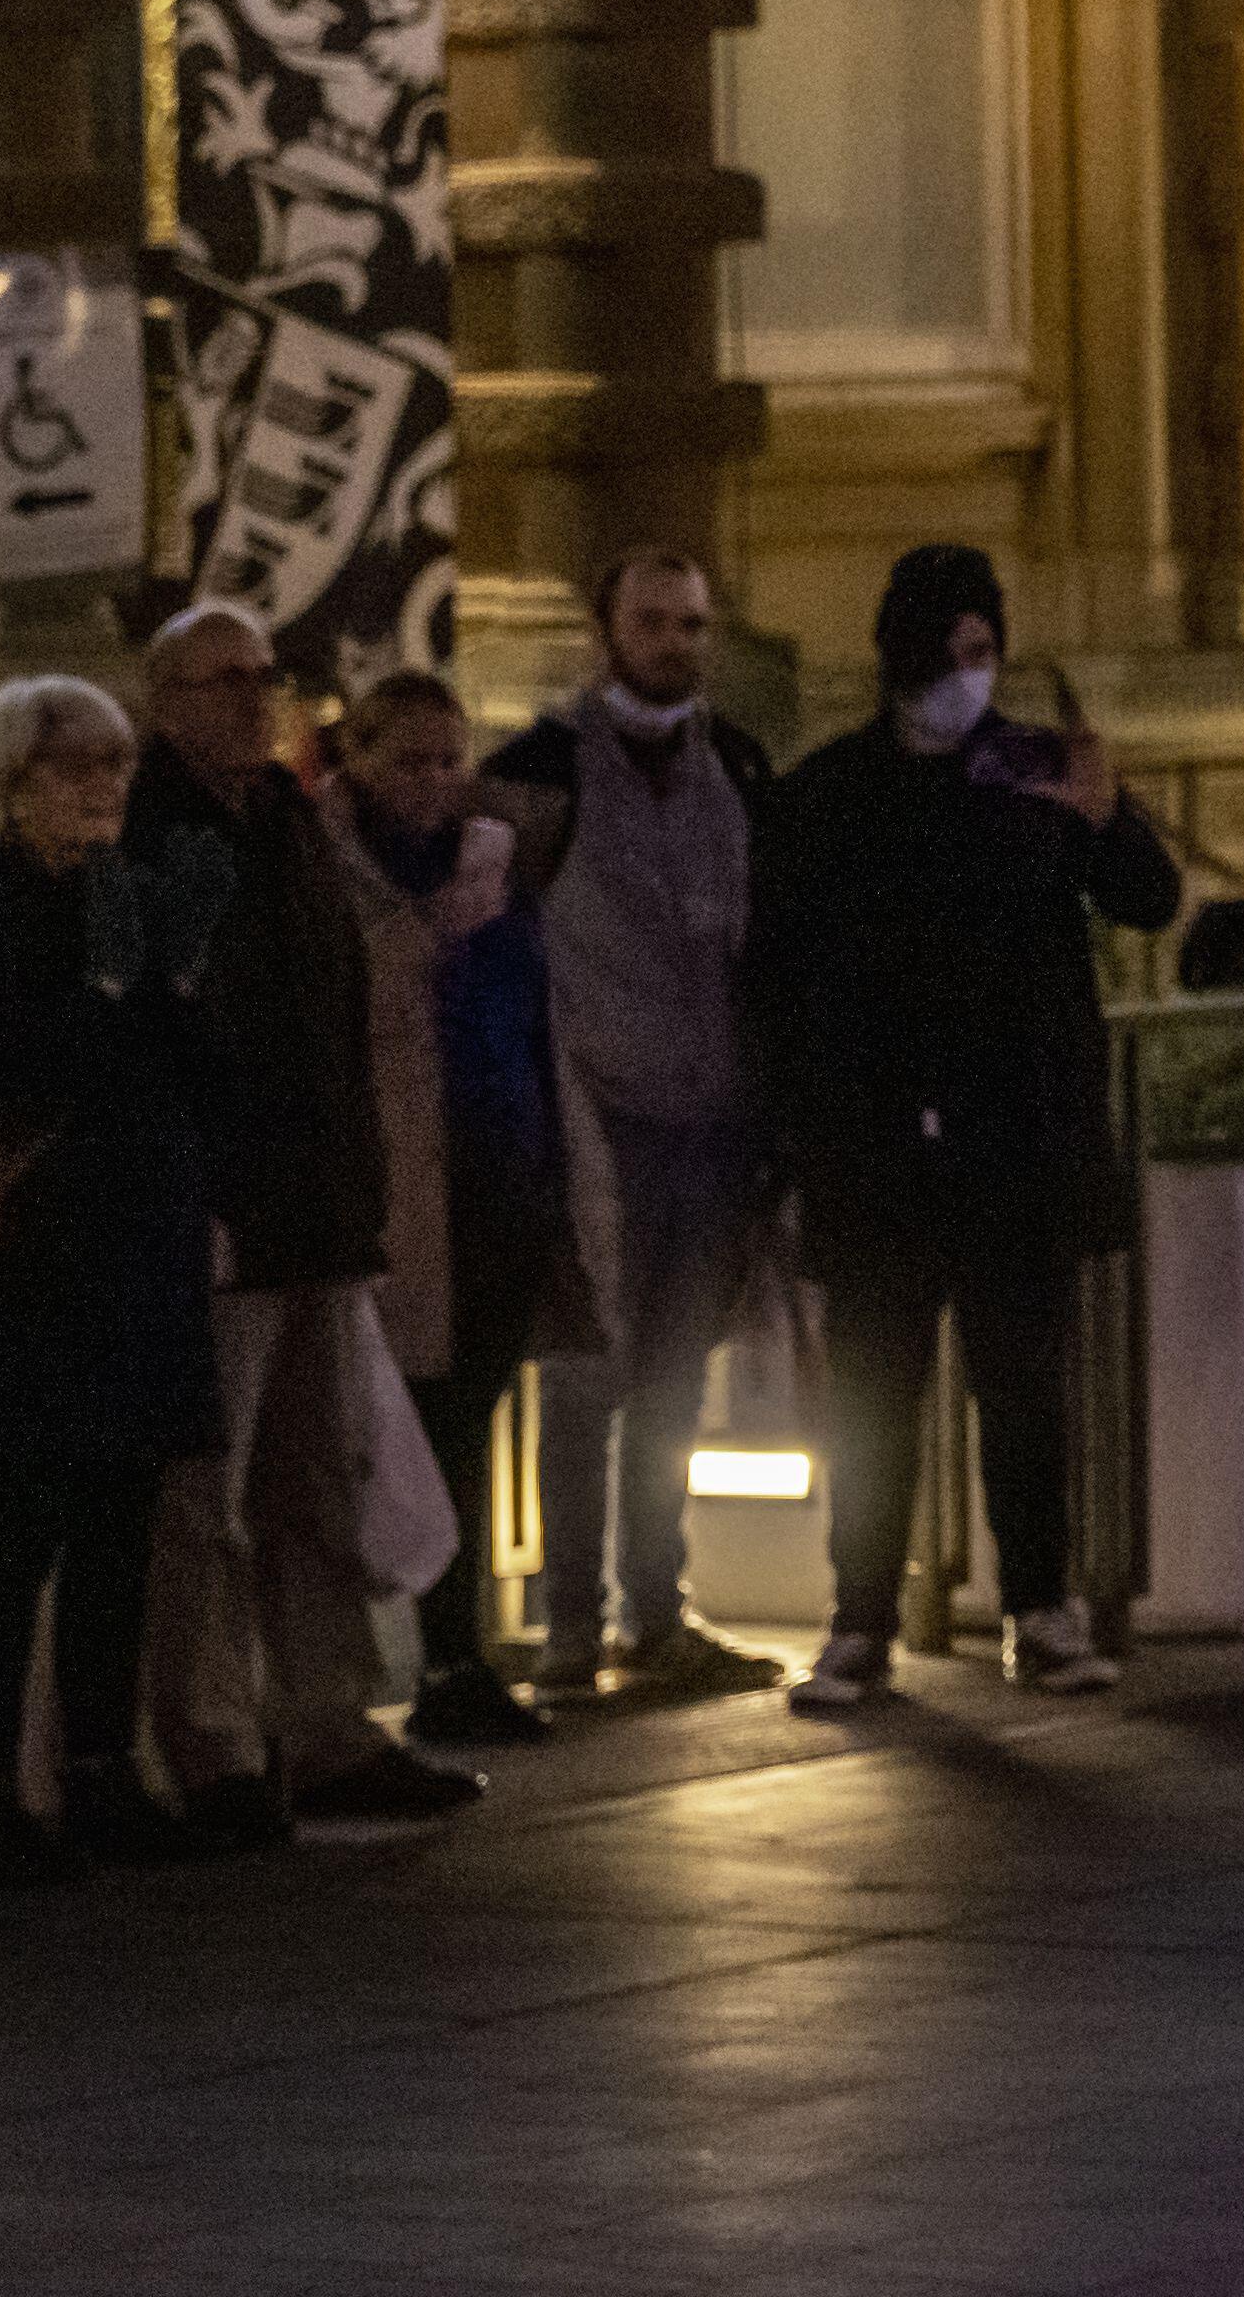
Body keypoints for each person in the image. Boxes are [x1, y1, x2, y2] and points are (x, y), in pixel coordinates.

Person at [742, 542, 1180, 1699]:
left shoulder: (1035, 771)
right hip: (878, 1147)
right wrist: (798, 1132)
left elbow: (1149, 897)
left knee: (1023, 1387)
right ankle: (860, 1619)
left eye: (988, 650)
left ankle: (1038, 1606)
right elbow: (780, 974)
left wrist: (1105, 810)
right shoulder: (829, 793)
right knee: (875, 1394)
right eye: (958, 652)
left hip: (1014, 1141)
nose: (975, 675)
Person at [131, 600, 465, 1842]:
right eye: (222, 680)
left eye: (264, 678)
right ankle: (213, 1747)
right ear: (167, 695)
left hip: (316, 1212)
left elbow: (334, 1016)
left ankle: (325, 1729)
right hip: (225, 1217)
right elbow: (142, 1028)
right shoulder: (151, 834)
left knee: (318, 1486)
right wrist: (191, 1199)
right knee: (204, 1505)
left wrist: (359, 1201)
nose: (251, 699)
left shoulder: (284, 819)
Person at [0, 677, 226, 1883]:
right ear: (13, 786)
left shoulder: (130, 908)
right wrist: (100, 992)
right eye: (76, 767)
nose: (103, 788)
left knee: (118, 1536)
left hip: (134, 1259)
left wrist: (177, 984)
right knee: (15, 1534)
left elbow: (196, 1077)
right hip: (28, 1274)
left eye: (117, 765)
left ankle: (99, 1769)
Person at [486, 546, 781, 1703]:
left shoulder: (740, 765)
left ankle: (658, 1609)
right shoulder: (542, 769)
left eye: (695, 625)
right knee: (583, 1378)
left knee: (675, 1381)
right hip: (595, 1119)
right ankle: (570, 1626)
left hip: (711, 1118)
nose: (676, 644)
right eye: (654, 623)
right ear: (604, 629)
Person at [336, 671, 563, 1753]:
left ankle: (459, 1656)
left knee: (469, 1422)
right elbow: (353, 1003)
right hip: (396, 1189)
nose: (430, 782)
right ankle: (382, 1665)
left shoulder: (494, 859)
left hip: (495, 1179)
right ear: (358, 757)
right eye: (406, 759)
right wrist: (436, 927)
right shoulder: (339, 863)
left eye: (447, 758)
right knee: (386, 1427)